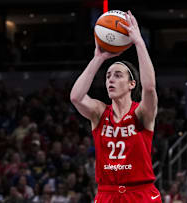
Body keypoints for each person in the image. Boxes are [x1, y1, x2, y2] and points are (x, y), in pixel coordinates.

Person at [70, 11, 161, 202]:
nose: (111, 79)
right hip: (107, 193)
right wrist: (98, 58)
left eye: (118, 75)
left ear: (132, 84)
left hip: (141, 192)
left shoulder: (142, 113)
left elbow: (150, 87)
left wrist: (139, 42)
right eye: (108, 76)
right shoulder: (99, 112)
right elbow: (76, 97)